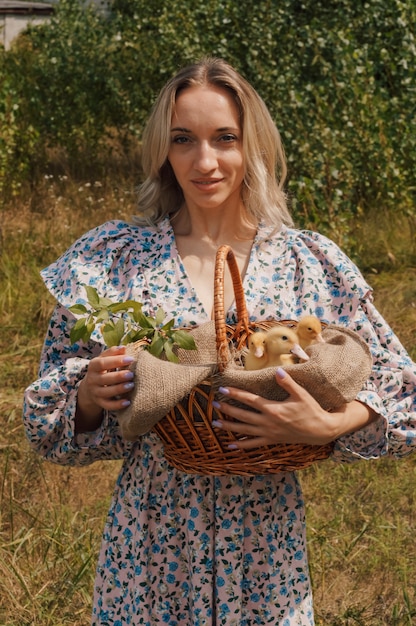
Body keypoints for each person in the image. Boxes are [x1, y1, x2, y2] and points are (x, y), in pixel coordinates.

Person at [23, 57, 416, 626]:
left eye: (224, 139)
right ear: (163, 149)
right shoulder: (115, 260)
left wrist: (330, 427)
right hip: (150, 544)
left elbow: (404, 392)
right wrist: (88, 395)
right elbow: (44, 424)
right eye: (184, 139)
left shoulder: (306, 261)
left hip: (265, 546)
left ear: (251, 145)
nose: (205, 161)